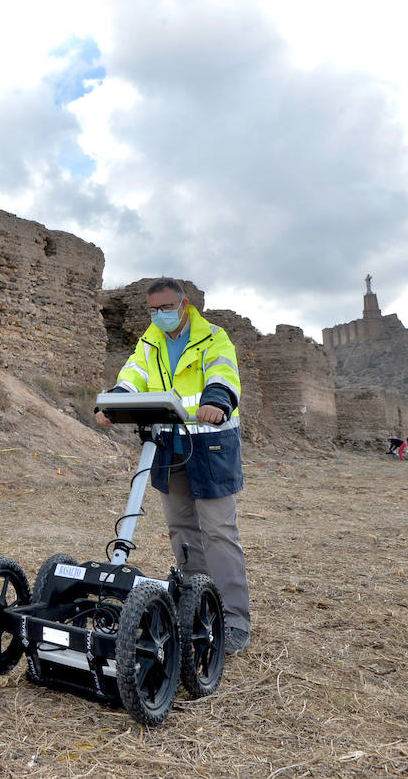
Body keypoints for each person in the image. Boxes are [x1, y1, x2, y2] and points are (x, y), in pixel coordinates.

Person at [94, 278, 251, 656]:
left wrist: (217, 399)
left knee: (218, 533)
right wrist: (113, 403)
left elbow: (223, 372)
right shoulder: (150, 341)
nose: (158, 315)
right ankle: (198, 607)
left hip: (210, 444)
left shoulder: (213, 337)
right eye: (152, 309)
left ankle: (233, 622)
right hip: (168, 446)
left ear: (183, 305)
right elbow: (132, 375)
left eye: (165, 308)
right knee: (181, 529)